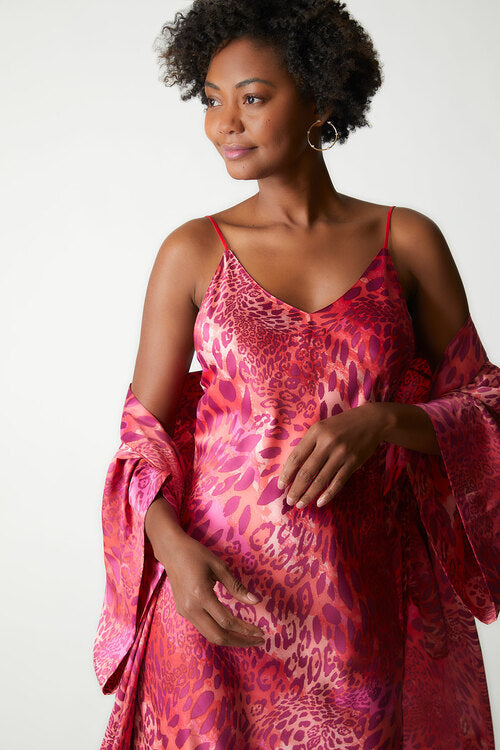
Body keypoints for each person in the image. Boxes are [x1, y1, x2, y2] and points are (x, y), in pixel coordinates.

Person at [93, 1, 500, 748]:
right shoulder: (192, 251)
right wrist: (174, 555)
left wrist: (387, 422)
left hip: (360, 608)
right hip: (218, 602)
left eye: (252, 98)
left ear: (321, 98)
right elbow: (139, 445)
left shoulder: (406, 242)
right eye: (211, 100)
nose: (225, 124)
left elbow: (488, 406)